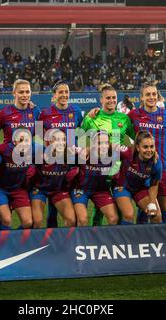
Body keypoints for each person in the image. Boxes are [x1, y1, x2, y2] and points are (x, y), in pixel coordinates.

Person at [81, 84, 136, 226]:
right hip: (97, 169)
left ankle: (116, 236)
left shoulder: (124, 118)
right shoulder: (91, 118)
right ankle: (96, 234)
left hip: (118, 169)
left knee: (118, 206)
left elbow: (134, 139)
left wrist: (129, 155)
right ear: (101, 100)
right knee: (100, 207)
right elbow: (80, 137)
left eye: (114, 98)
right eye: (108, 98)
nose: (111, 100)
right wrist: (87, 148)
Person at [128, 82, 166, 224]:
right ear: (141, 98)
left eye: (154, 94)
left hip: (162, 167)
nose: (151, 97)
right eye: (148, 94)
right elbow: (119, 127)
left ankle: (165, 241)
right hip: (142, 170)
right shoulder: (134, 115)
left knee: (163, 209)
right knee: (145, 207)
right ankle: (141, 239)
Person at [37, 80, 85, 228]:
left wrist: (79, 149)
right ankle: (53, 233)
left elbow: (81, 132)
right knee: (53, 202)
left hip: (71, 162)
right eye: (61, 92)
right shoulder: (45, 113)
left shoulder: (76, 111)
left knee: (70, 199)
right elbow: (39, 136)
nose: (64, 95)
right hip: (54, 163)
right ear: (54, 95)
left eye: (66, 92)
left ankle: (71, 234)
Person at [69, 131, 119, 227]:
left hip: (100, 191)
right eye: (99, 143)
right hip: (81, 190)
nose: (103, 146)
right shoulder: (83, 153)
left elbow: (133, 150)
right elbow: (65, 152)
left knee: (114, 218)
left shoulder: (113, 155)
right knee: (82, 220)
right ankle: (80, 241)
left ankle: (105, 241)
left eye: (106, 143)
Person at [28, 129, 76, 228]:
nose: (61, 143)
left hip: (58, 190)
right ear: (50, 142)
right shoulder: (39, 155)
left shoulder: (71, 156)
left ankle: (66, 242)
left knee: (71, 220)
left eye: (63, 140)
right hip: (39, 190)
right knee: (37, 221)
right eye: (57, 140)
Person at [113, 131, 163, 224]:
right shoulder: (127, 152)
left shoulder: (156, 163)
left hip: (140, 189)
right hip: (122, 187)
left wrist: (152, 203)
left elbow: (154, 184)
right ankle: (124, 239)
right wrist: (88, 150)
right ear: (137, 147)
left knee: (156, 216)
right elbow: (111, 145)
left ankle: (149, 238)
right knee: (128, 215)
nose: (149, 150)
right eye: (145, 147)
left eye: (152, 146)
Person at [0, 129, 34, 230]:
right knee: (7, 220)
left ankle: (13, 241)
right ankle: (3, 242)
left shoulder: (33, 151)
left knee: (28, 222)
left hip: (18, 189)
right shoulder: (4, 149)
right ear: (14, 141)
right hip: (0, 188)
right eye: (21, 140)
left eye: (27, 140)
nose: (24, 143)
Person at [0, 79, 40, 144]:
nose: (25, 95)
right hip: (9, 153)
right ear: (14, 93)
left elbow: (41, 136)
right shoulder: (4, 113)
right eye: (21, 92)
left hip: (29, 153)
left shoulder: (35, 111)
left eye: (27, 92)